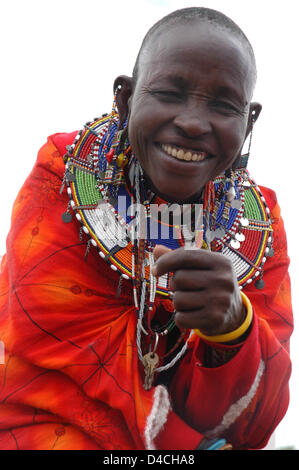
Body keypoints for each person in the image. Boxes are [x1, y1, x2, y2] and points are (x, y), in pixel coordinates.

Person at [0, 7, 292, 450]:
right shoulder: (63, 171)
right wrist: (189, 448)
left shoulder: (259, 225)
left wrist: (234, 329)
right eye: (170, 93)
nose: (193, 123)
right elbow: (48, 330)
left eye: (223, 104)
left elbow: (257, 422)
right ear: (126, 98)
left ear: (248, 121)